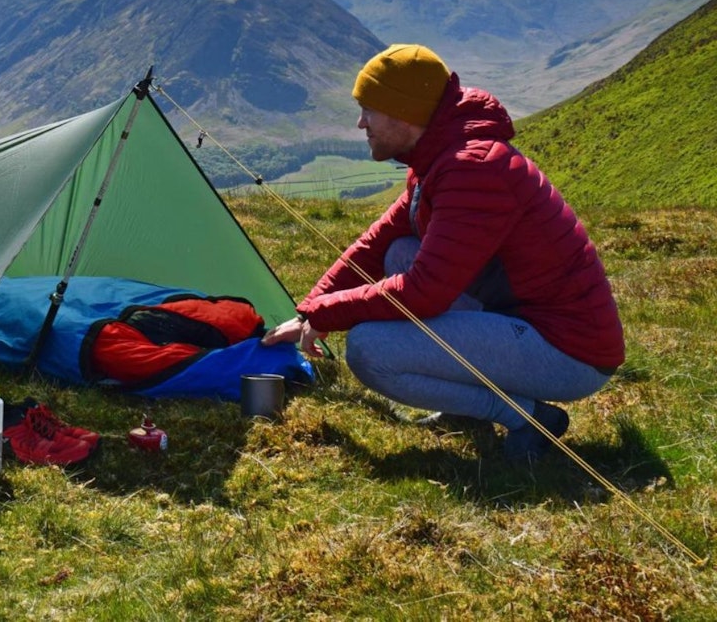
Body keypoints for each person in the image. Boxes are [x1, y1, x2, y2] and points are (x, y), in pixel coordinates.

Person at [260, 44, 623, 463]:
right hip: (521, 322)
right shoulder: (440, 157)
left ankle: (529, 417)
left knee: (371, 350)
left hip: (568, 351)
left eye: (369, 110)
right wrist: (309, 309)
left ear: (404, 113)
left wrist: (329, 314)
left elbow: (423, 293)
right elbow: (377, 244)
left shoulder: (473, 169)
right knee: (400, 251)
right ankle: (465, 408)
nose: (361, 123)